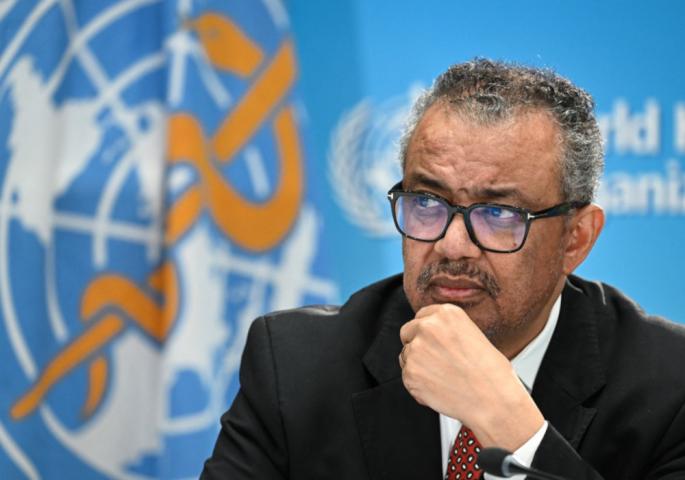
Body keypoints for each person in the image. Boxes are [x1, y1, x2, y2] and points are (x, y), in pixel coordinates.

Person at [200, 59, 685, 479]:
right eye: (427, 203)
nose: (452, 245)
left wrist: (511, 427)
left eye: (498, 213)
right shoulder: (296, 366)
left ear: (575, 238)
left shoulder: (669, 389)